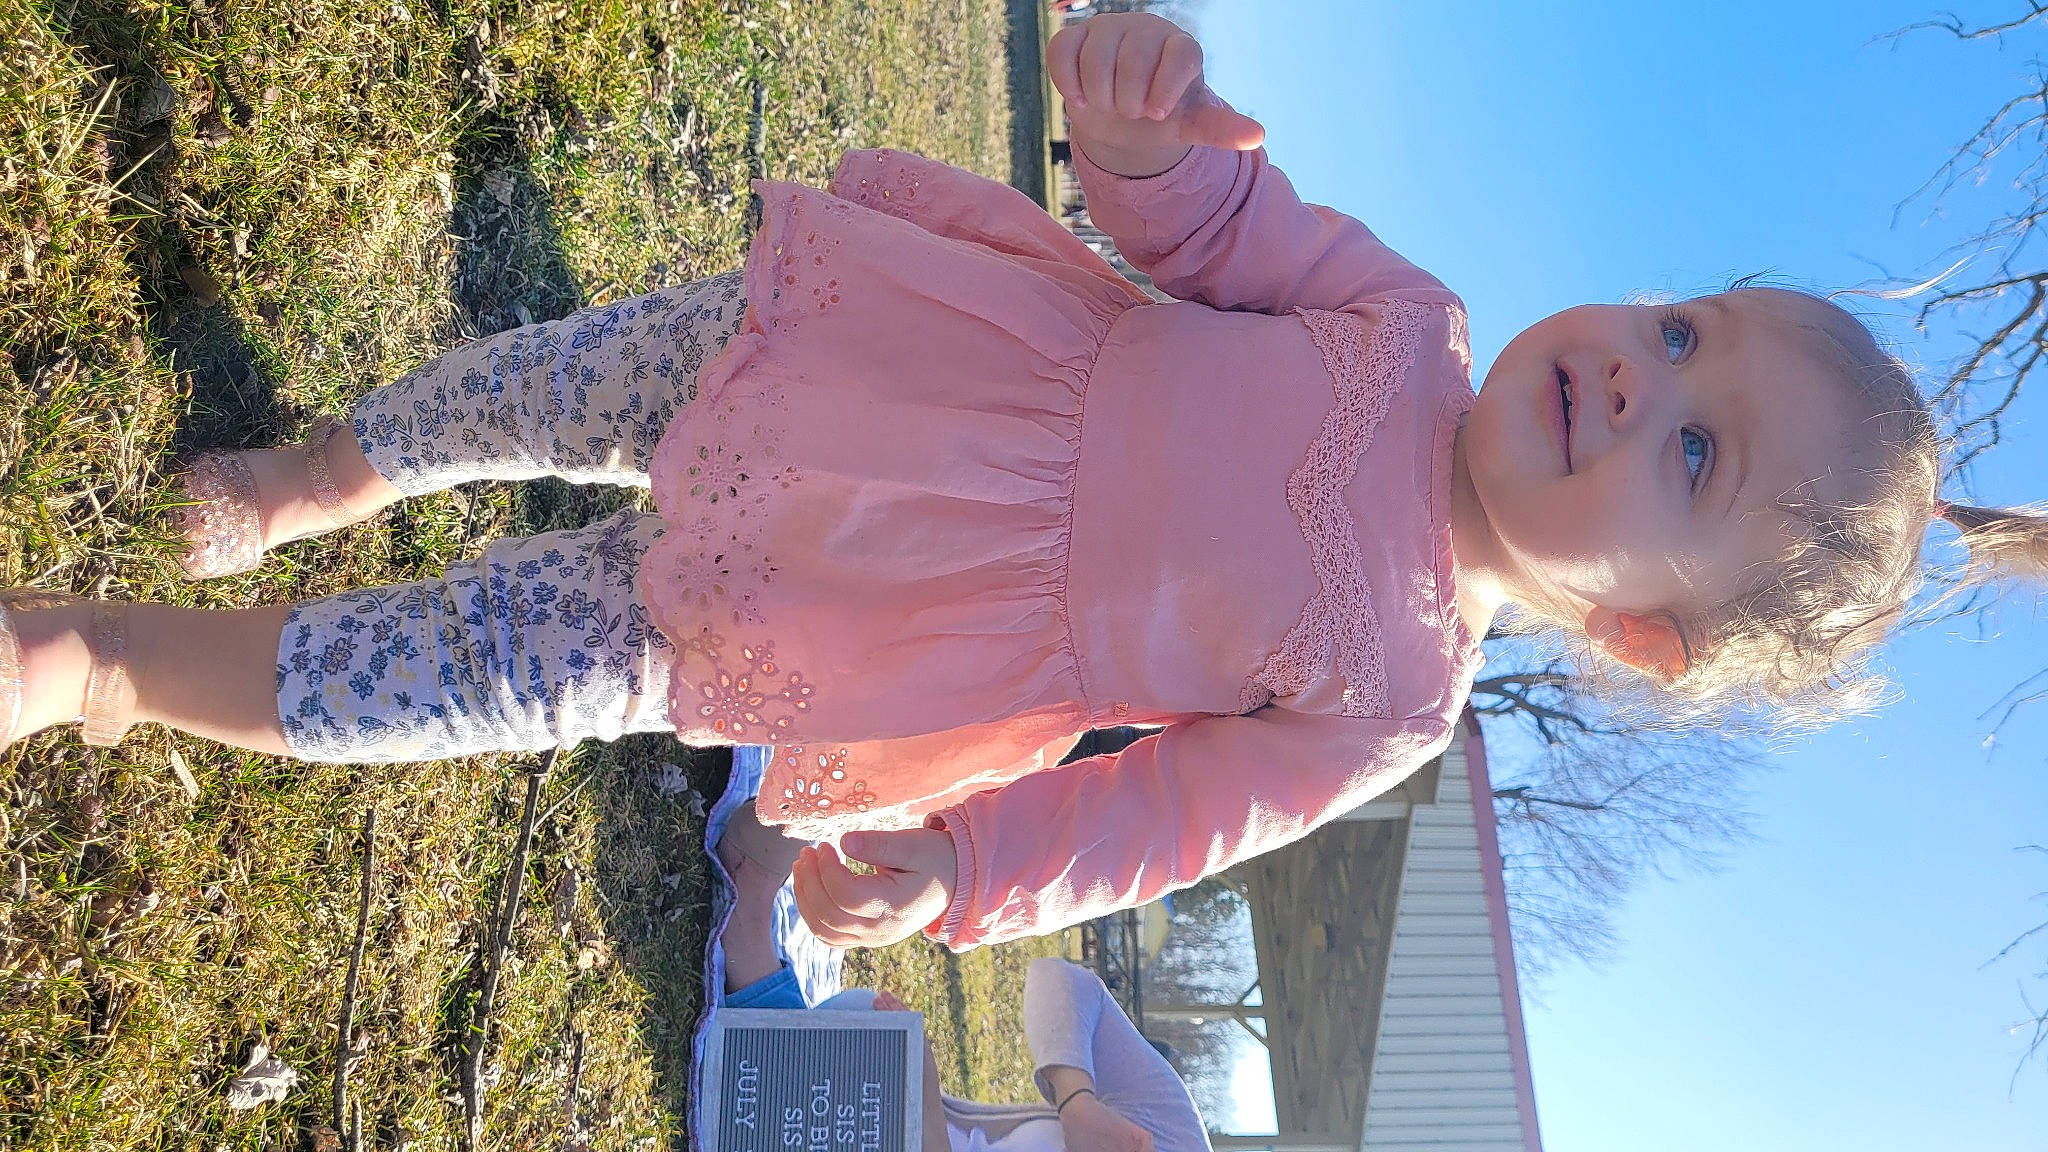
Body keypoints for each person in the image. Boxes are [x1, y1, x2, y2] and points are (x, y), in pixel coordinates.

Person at [2, 11, 2041, 949]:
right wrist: (1140, 127)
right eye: (1680, 327)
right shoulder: (1403, 322)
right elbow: (1208, 228)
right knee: (552, 387)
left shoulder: (1392, 704)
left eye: (1692, 446)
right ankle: (336, 462)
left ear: (1634, 634)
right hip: (895, 353)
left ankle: (104, 661)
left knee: (501, 671)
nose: (1636, 370)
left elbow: (1153, 823)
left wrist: (965, 874)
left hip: (858, 623)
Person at [717, 806, 1201, 1152]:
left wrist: (925, 1103)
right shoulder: (1174, 1135)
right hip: (880, 1119)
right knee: (867, 1027)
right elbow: (1058, 981)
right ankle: (751, 1008)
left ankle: (746, 939)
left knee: (872, 1071)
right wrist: (1077, 1102)